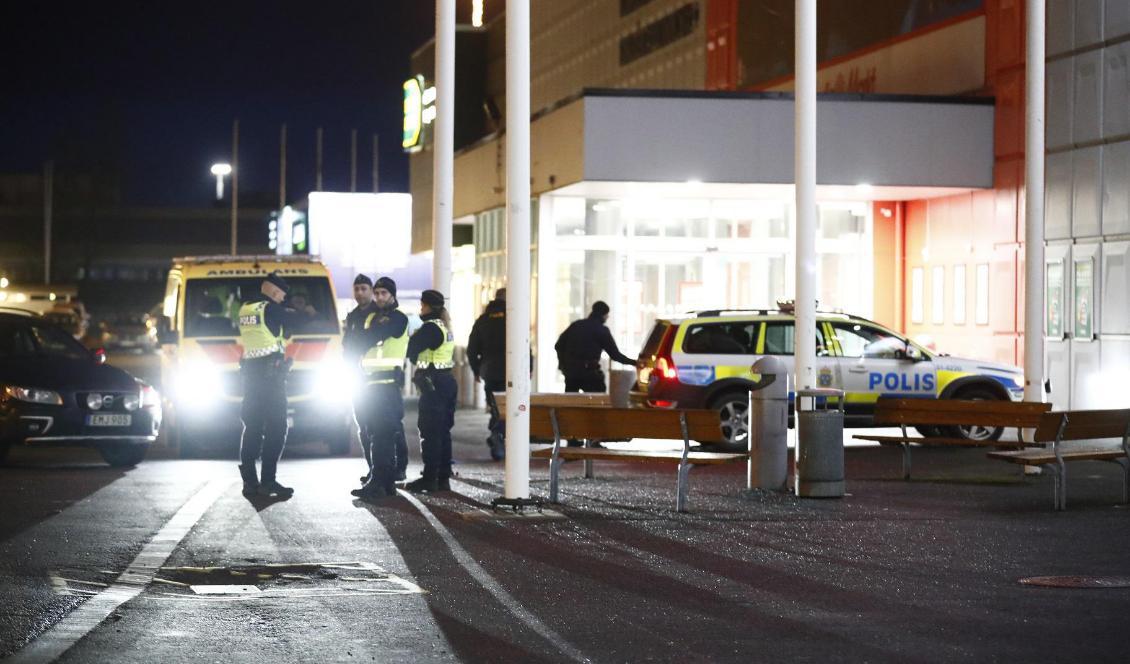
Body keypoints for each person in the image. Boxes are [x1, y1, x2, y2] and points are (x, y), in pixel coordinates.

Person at [236, 272, 306, 498]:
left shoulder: (246, 308)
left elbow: (270, 335)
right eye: (282, 296)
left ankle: (249, 482)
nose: (282, 300)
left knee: (253, 428)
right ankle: (268, 481)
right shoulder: (271, 309)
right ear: (275, 292)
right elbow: (297, 320)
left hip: (251, 377)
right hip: (271, 378)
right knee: (277, 428)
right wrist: (299, 309)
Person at [350, 276, 410, 500]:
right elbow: (358, 341)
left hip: (386, 387)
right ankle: (383, 483)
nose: (379, 297)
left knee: (383, 435)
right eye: (377, 293)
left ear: (392, 295)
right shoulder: (373, 317)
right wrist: (369, 334)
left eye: (384, 293)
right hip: (369, 385)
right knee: (374, 433)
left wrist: (369, 334)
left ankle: (380, 482)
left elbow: (371, 337)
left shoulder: (399, 318)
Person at [404, 289, 457, 493]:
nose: (420, 308)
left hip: (433, 384)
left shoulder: (430, 328)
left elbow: (411, 348)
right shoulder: (445, 326)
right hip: (446, 382)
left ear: (426, 305)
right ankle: (443, 478)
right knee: (443, 432)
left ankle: (429, 479)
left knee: (430, 432)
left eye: (422, 304)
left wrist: (416, 359)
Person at [342, 274, 379, 486]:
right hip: (356, 377)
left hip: (376, 378)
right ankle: (372, 468)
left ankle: (390, 468)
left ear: (371, 290)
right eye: (356, 289)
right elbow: (348, 345)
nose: (359, 293)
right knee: (363, 425)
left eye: (364, 288)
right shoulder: (353, 316)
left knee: (379, 426)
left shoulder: (380, 314)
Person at [554, 300, 636, 393]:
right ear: (604, 315)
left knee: (571, 403)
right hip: (590, 374)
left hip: (572, 374)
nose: (607, 317)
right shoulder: (602, 330)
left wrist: (563, 365)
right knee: (596, 402)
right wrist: (635, 363)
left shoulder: (576, 325)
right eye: (607, 315)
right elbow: (615, 355)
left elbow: (558, 345)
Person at [466, 288, 507, 461]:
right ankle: (498, 433)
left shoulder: (482, 320)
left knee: (496, 407)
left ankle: (497, 435)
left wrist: (476, 370)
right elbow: (525, 345)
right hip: (510, 371)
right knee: (509, 408)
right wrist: (529, 366)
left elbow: (471, 349)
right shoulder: (513, 317)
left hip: (489, 371)